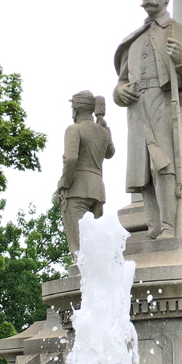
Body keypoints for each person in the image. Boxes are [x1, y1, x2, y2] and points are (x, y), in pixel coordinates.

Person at [113, 0, 182, 239]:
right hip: (138, 110)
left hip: (166, 104)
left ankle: (170, 227)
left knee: (165, 166)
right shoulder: (133, 41)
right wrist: (119, 92)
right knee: (143, 171)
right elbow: (121, 81)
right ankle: (153, 227)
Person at [56, 91, 115, 263]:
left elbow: (71, 158)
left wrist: (63, 183)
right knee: (96, 243)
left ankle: (80, 278)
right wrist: (104, 127)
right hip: (98, 191)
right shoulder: (103, 132)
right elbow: (110, 153)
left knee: (78, 246)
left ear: (75, 109)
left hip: (77, 190)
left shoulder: (73, 129)